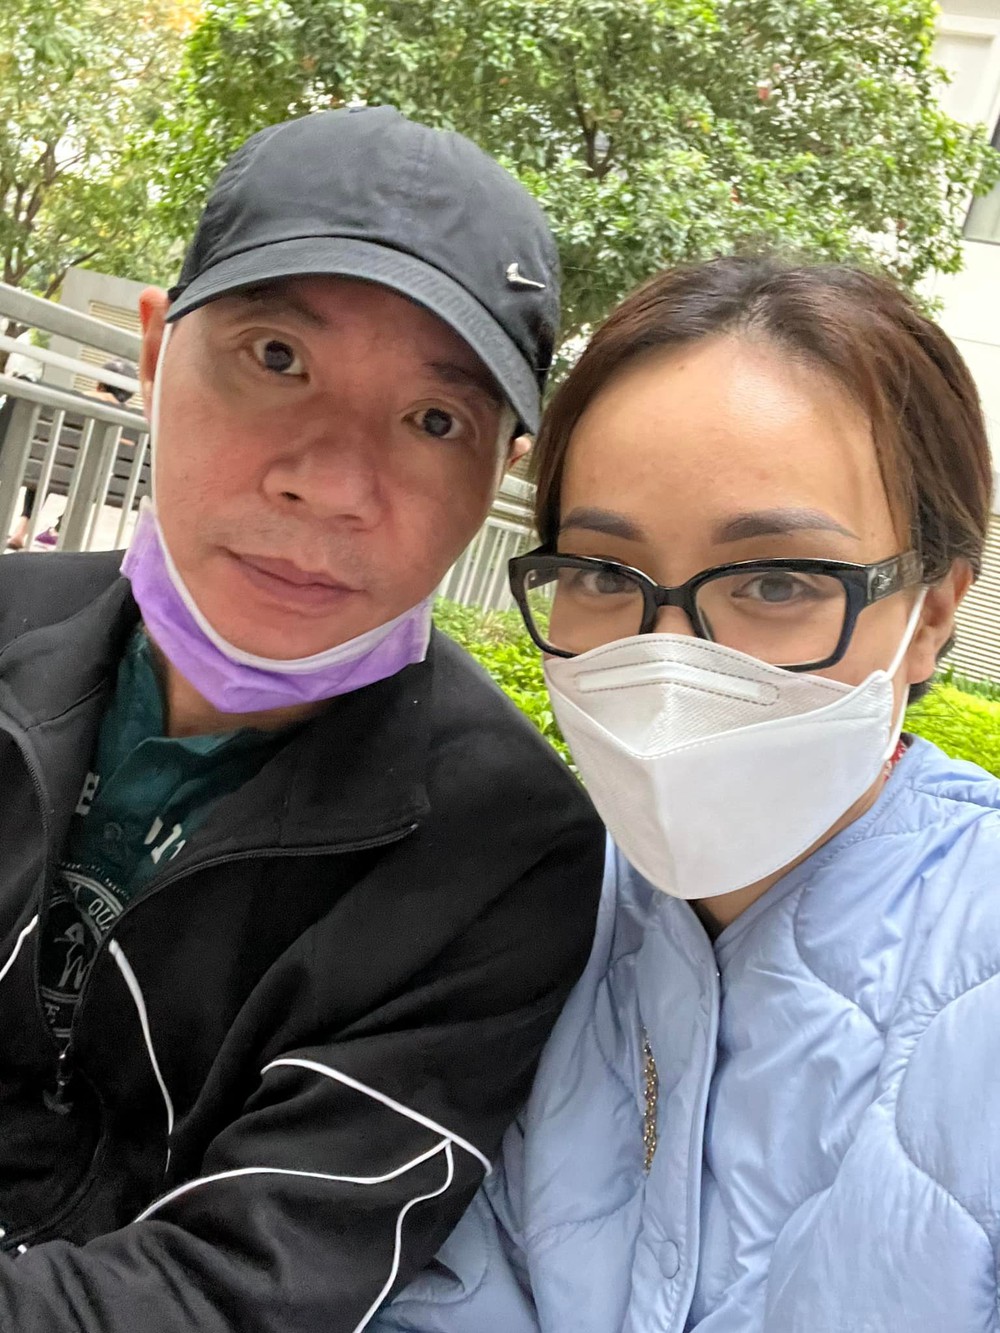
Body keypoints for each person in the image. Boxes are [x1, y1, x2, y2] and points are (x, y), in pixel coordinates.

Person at [0, 106, 604, 1331]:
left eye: (434, 420)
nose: (329, 482)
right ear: (156, 354)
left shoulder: (503, 859)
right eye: (276, 357)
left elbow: (237, 1290)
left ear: (495, 474)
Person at [378, 255, 1000, 1333]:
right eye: (602, 575)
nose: (668, 665)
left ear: (931, 613)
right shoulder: (504, 914)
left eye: (776, 581)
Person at [5, 359, 140, 551]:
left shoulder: (74, 401)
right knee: (90, 476)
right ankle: (58, 531)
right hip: (99, 485)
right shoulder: (132, 420)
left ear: (99, 384)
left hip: (51, 471)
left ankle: (21, 530)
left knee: (45, 466)